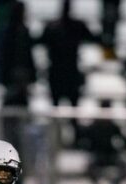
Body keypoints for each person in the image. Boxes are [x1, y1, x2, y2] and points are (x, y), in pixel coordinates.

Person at [37, 0, 98, 145]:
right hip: (60, 74)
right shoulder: (57, 26)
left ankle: (72, 139)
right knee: (57, 110)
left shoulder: (71, 26)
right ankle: (56, 138)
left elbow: (94, 38)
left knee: (72, 111)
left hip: (67, 74)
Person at [0, 1, 35, 160]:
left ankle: (19, 155)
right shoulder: (9, 32)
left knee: (21, 125)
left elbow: (29, 58)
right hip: (12, 88)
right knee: (10, 124)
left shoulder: (20, 32)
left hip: (20, 88)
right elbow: (2, 59)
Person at [77, 100, 126, 184]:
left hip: (111, 153)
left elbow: (124, 140)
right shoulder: (94, 124)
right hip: (97, 154)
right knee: (89, 168)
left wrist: (121, 149)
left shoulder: (113, 124)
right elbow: (83, 140)